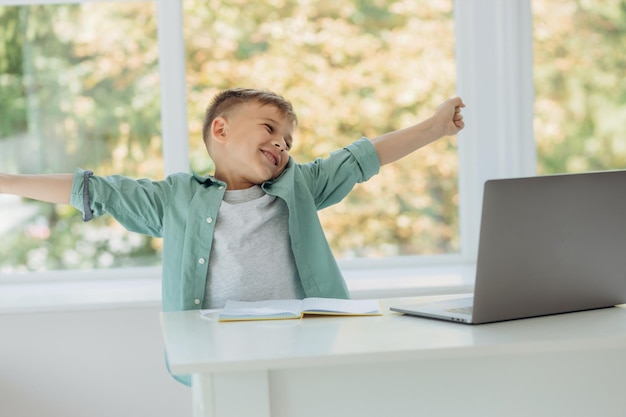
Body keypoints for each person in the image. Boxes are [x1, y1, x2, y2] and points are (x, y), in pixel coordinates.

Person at [0, 87, 465, 385]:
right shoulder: (176, 199)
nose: (282, 144)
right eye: (270, 129)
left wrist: (435, 127)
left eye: (288, 140)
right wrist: (6, 181)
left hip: (304, 349)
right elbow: (94, 191)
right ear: (220, 129)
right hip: (220, 356)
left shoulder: (300, 186)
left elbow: (361, 157)